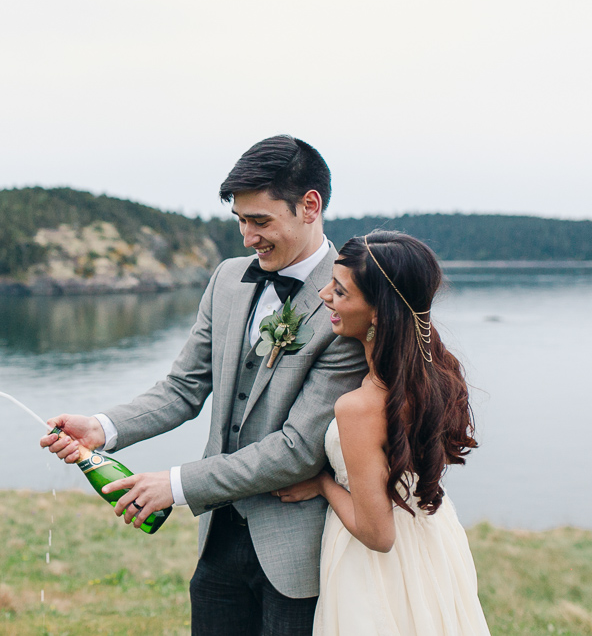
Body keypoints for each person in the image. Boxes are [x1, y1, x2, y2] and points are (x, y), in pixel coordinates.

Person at [41, 135, 367, 635]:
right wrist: (101, 429)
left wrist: (173, 486)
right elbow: (182, 388)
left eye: (260, 221)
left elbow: (299, 448)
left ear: (310, 206)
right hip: (217, 544)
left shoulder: (348, 300)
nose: (247, 237)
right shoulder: (227, 279)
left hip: (299, 550)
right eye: (240, 220)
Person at [273, 231, 491, 635]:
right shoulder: (432, 373)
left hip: (374, 570)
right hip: (432, 543)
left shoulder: (359, 407)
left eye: (340, 291)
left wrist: (322, 483)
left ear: (377, 312)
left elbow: (378, 534)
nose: (324, 295)